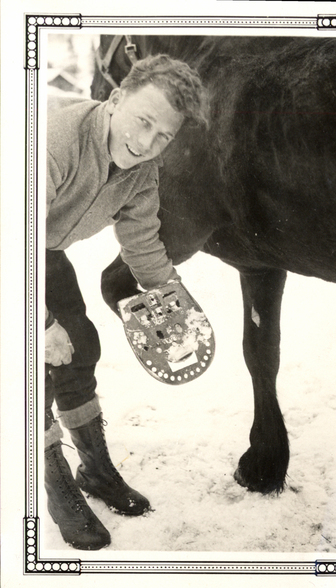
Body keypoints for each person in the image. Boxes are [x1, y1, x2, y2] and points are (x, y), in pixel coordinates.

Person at [44, 54, 208, 550]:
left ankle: (95, 469)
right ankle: (53, 483)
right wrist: (41, 321)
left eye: (164, 136)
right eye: (143, 121)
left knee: (80, 346)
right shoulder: (54, 142)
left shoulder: (143, 170)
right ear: (115, 99)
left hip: (36, 248)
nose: (147, 142)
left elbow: (142, 243)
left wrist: (174, 297)